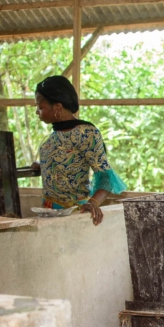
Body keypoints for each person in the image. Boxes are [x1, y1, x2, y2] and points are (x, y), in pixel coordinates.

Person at [31, 76, 126, 225]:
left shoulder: (86, 133)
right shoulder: (53, 137)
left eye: (40, 107)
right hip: (47, 215)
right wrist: (42, 165)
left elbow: (106, 177)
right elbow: (64, 163)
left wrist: (93, 202)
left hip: (75, 215)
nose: (37, 112)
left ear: (57, 107)